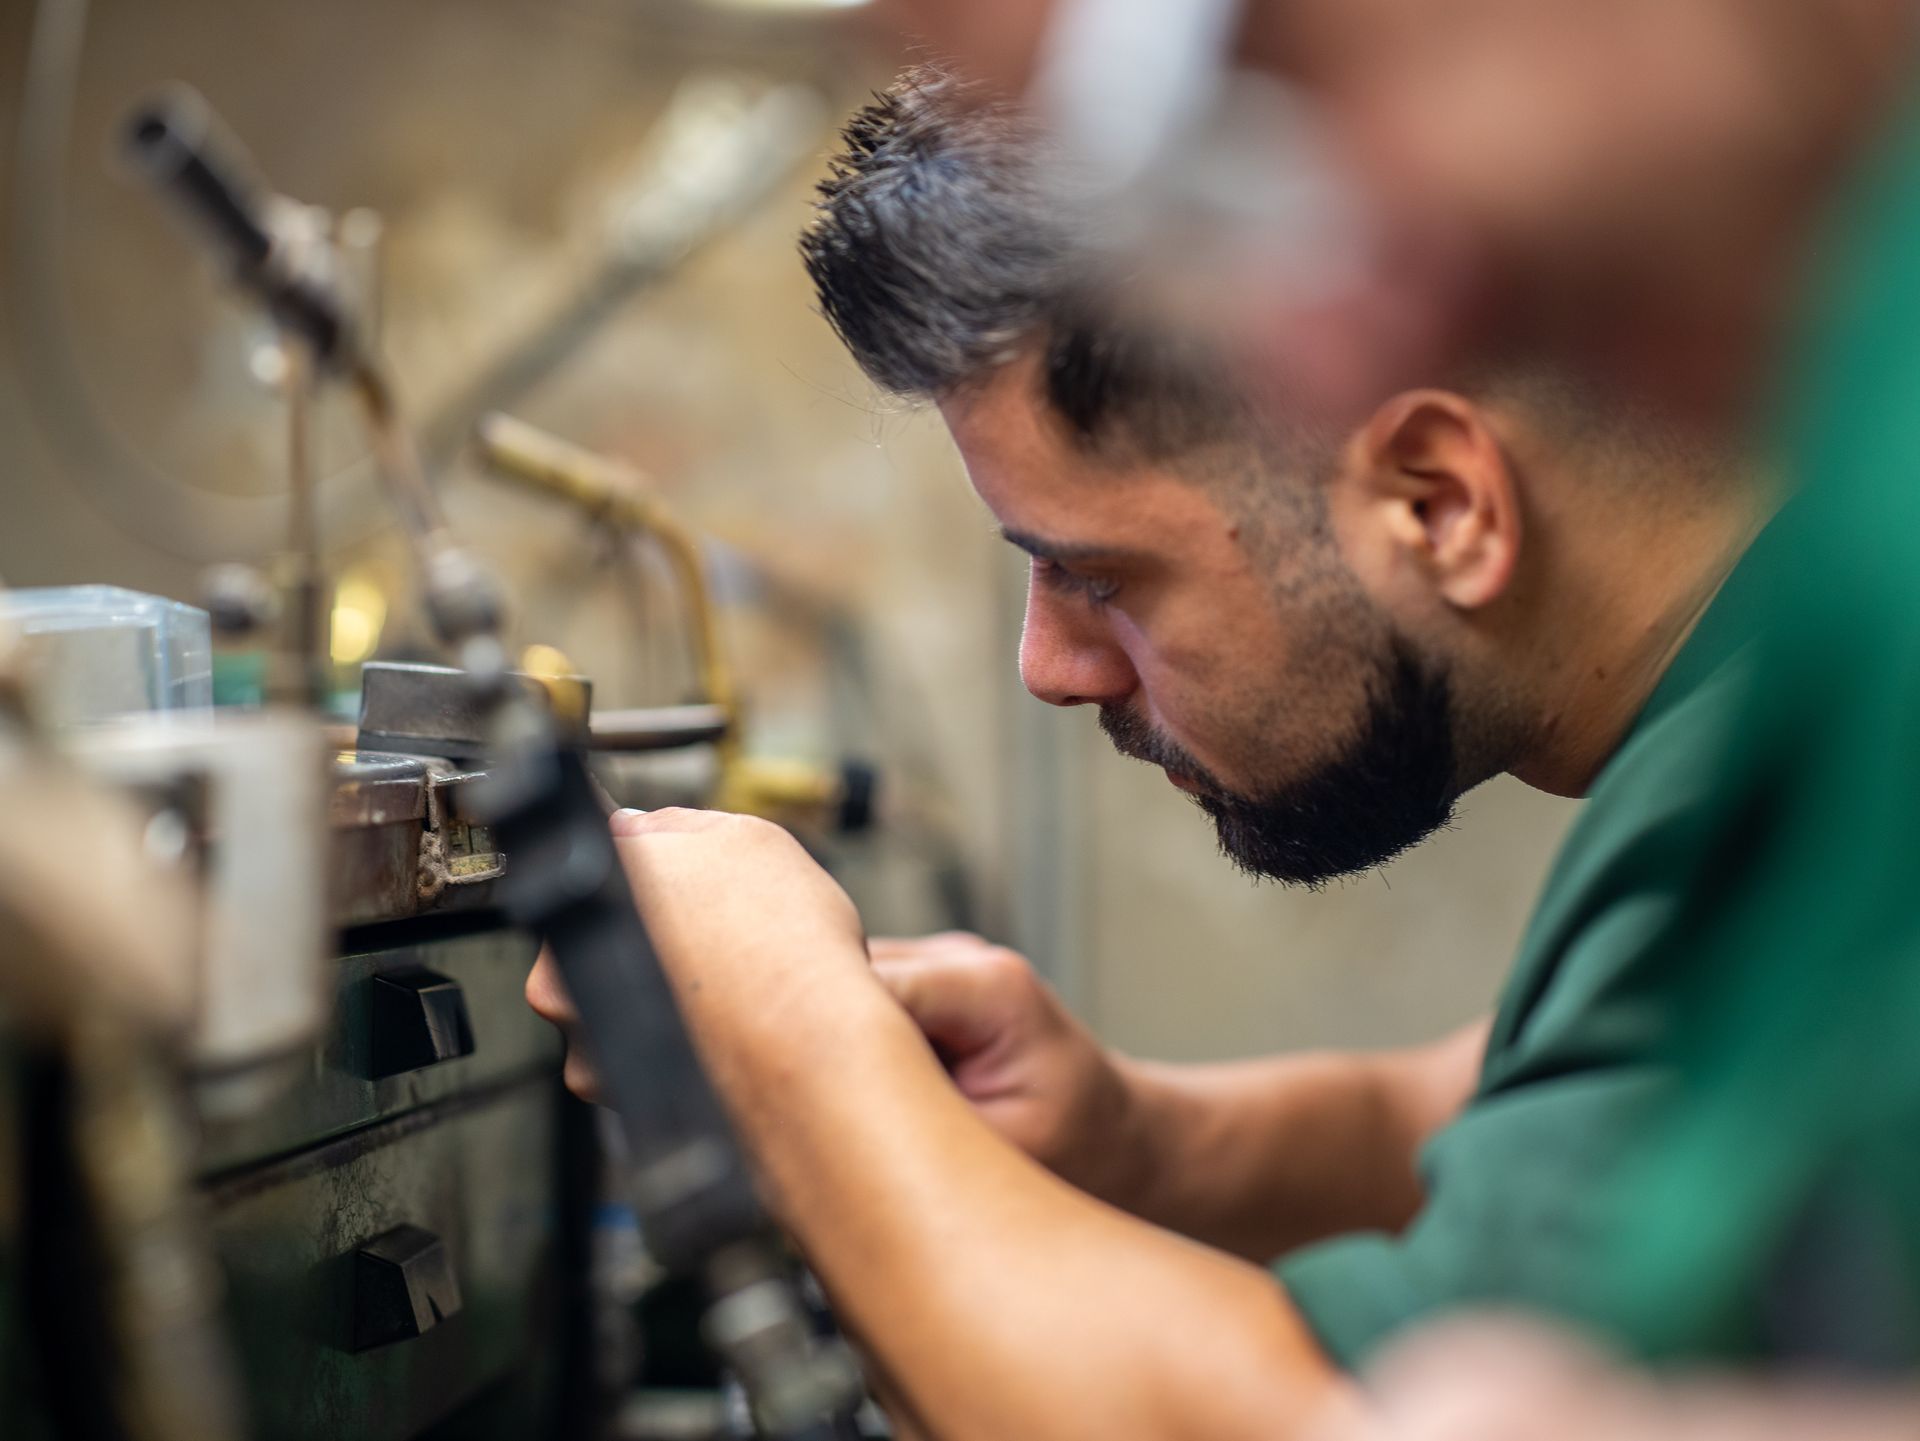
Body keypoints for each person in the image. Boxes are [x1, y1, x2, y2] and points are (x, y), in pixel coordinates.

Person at [524, 70, 1780, 1438]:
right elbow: (1509, 1116)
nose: (1050, 668)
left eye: (1098, 578)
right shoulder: (1756, 727)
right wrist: (1143, 1136)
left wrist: (797, 1062)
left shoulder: (1817, 808)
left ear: (1438, 505)